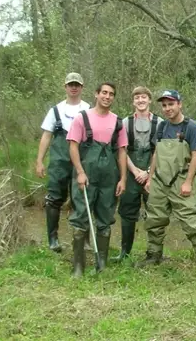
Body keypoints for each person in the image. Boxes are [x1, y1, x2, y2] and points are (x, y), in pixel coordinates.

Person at [139, 90, 196, 281]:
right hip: (159, 181)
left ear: (179, 104)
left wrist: (189, 181)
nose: (167, 108)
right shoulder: (162, 127)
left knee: (191, 223)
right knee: (155, 219)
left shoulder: (192, 127)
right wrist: (150, 177)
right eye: (164, 105)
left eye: (171, 104)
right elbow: (156, 153)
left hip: (181, 181)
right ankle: (153, 256)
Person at [66, 82, 128, 277]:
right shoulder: (81, 118)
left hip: (109, 178)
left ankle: (102, 263)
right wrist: (80, 172)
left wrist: (123, 179)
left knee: (105, 219)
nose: (107, 97)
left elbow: (122, 152)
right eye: (104, 93)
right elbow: (73, 147)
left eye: (111, 94)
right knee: (81, 218)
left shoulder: (118, 122)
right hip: (86, 175)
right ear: (96, 94)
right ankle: (78, 266)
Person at [35, 72, 90, 253]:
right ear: (65, 87)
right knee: (54, 199)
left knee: (81, 199)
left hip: (81, 162)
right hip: (59, 162)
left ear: (82, 87)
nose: (73, 87)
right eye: (70, 84)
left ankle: (84, 240)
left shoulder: (89, 109)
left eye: (77, 84)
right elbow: (46, 135)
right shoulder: (55, 110)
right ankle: (53, 239)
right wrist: (39, 161)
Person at [113, 86, 162, 262]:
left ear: (149, 100)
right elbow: (122, 151)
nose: (141, 100)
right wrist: (135, 171)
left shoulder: (160, 123)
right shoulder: (125, 123)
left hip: (153, 175)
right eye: (137, 98)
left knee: (156, 213)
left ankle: (154, 254)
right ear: (133, 101)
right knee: (126, 213)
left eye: (144, 97)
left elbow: (161, 151)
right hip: (131, 174)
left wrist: (148, 173)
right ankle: (124, 254)